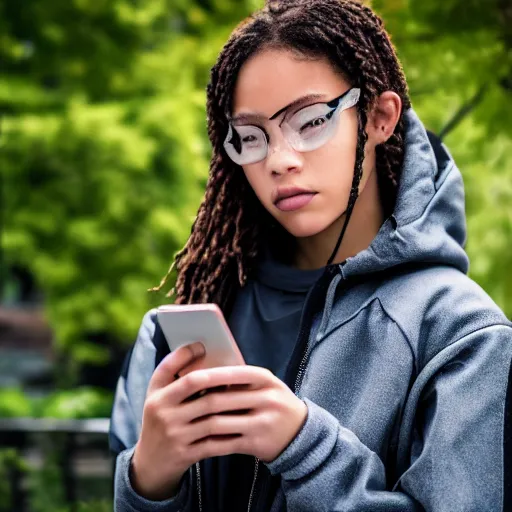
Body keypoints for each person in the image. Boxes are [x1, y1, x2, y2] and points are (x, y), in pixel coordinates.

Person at [109, 0, 512, 510]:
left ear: (380, 117)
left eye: (309, 122)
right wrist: (148, 479)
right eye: (252, 137)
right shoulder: (182, 325)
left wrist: (304, 448)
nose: (279, 160)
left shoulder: (460, 333)